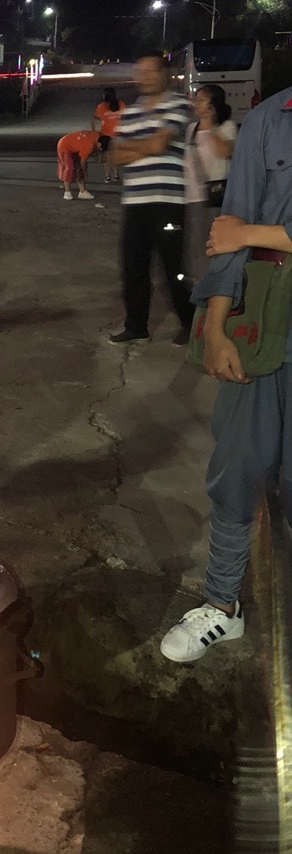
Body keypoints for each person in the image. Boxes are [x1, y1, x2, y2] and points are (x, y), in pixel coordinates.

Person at [159, 84, 290, 662]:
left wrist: (258, 235)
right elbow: (226, 234)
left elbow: (243, 232)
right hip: (263, 331)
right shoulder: (268, 120)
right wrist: (215, 328)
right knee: (236, 470)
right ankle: (221, 604)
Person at [107, 53, 195, 345]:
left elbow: (159, 144)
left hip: (169, 201)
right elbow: (115, 156)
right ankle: (136, 325)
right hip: (135, 202)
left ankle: (191, 323)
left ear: (164, 74)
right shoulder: (129, 112)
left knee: (173, 268)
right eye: (139, 71)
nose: (143, 77)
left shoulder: (178, 104)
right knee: (133, 266)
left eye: (150, 71)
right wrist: (149, 145)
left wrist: (135, 147)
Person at [181, 83, 237, 286]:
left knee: (213, 243)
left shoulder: (227, 126)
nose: (197, 104)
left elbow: (226, 152)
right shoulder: (191, 129)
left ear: (214, 104)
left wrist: (211, 126)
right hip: (192, 195)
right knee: (194, 244)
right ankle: (198, 285)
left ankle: (214, 284)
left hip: (215, 195)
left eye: (202, 100)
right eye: (196, 99)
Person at [56, 128, 99, 200]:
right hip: (64, 146)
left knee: (79, 169)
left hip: (74, 145)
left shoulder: (96, 135)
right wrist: (85, 172)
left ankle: (82, 191)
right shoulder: (88, 146)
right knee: (69, 168)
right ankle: (67, 191)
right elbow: (83, 162)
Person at [94, 87, 125, 183]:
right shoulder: (120, 104)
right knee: (115, 154)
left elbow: (95, 118)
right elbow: (125, 116)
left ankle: (107, 176)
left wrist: (95, 131)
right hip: (118, 133)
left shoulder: (101, 106)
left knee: (106, 156)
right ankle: (116, 174)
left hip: (105, 134)